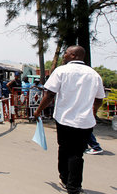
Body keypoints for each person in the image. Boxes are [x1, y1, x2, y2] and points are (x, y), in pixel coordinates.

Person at [34, 45, 105, 194]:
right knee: (77, 154)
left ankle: (68, 182)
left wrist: (38, 111)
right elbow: (99, 98)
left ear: (73, 55)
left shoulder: (61, 71)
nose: (64, 55)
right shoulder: (94, 74)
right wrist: (94, 111)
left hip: (65, 120)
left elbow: (49, 95)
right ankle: (73, 185)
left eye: (66, 53)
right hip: (85, 122)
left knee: (65, 149)